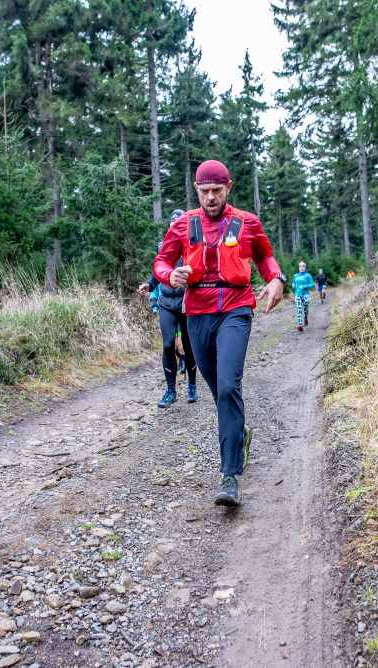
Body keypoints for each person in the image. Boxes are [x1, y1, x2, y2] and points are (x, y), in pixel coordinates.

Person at [153, 160, 285, 507]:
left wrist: (276, 279)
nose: (210, 197)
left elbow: (265, 257)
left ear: (228, 187)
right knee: (218, 391)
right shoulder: (183, 224)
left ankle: (229, 477)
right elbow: (161, 262)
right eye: (204, 191)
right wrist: (170, 276)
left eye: (216, 190)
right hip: (197, 312)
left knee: (228, 386)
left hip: (236, 309)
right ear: (196, 190)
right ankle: (238, 432)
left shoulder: (247, 222)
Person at [139, 209, 198, 407]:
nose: (174, 225)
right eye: (172, 222)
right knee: (167, 345)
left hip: (185, 303)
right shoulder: (162, 246)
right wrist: (150, 285)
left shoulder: (192, 245)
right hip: (166, 303)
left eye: (178, 222)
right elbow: (158, 270)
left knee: (188, 345)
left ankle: (192, 385)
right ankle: (171, 391)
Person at [291, 261, 315, 332]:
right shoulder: (295, 275)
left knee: (305, 309)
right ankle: (300, 324)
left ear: (305, 267)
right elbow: (293, 282)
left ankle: (305, 318)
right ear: (298, 267)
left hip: (306, 295)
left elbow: (312, 284)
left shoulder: (308, 275)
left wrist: (304, 286)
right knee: (299, 308)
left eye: (303, 266)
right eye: (300, 266)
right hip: (297, 294)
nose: (301, 268)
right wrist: (293, 285)